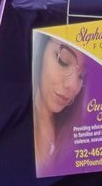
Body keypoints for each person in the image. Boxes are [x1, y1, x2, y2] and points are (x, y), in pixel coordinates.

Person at [32, 34, 86, 175]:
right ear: (41, 49)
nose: (72, 86)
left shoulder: (76, 134)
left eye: (81, 76)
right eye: (63, 61)